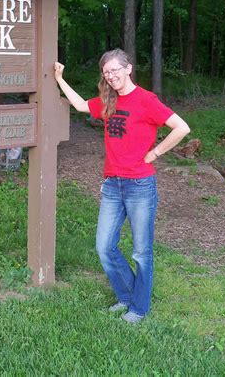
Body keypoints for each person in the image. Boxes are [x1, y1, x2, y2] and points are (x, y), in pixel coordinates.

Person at [54, 49, 190, 324]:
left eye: (115, 70)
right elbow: (81, 105)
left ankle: (139, 308)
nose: (111, 75)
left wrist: (156, 153)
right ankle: (126, 296)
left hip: (140, 184)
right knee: (104, 246)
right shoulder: (109, 100)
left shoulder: (146, 100)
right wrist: (59, 77)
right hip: (113, 185)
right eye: (106, 72)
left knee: (141, 251)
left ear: (128, 68)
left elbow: (181, 127)